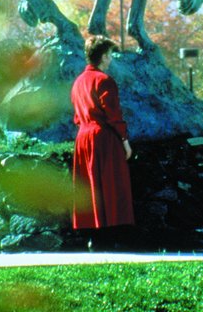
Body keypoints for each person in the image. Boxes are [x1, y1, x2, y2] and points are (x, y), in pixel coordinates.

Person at [71, 35, 135, 249]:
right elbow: (114, 115)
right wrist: (125, 141)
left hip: (83, 137)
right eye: (109, 55)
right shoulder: (104, 81)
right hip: (103, 137)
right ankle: (111, 236)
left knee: (89, 186)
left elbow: (77, 116)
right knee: (110, 184)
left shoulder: (78, 82)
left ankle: (93, 237)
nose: (110, 59)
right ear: (103, 56)